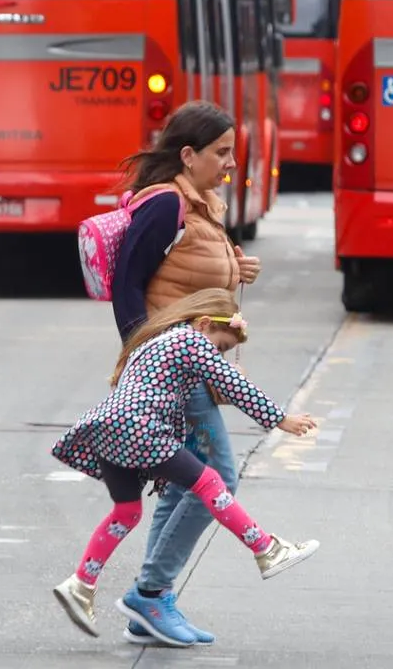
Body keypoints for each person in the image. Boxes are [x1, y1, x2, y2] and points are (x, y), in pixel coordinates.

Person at [50, 288, 319, 640]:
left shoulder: (161, 339)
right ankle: (265, 549)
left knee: (127, 512)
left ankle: (81, 584)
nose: (217, 355)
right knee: (211, 482)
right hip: (140, 426)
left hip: (109, 426)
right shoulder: (192, 341)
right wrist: (279, 418)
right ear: (204, 323)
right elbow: (232, 383)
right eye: (220, 346)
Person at [108, 100, 263, 646]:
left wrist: (233, 268)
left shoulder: (202, 205)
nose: (229, 163)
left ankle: (150, 606)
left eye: (231, 152)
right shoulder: (165, 206)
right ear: (189, 154)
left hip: (190, 361)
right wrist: (142, 352)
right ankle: (150, 594)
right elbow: (127, 284)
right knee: (216, 477)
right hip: (173, 364)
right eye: (221, 153)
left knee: (181, 485)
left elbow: (184, 271)